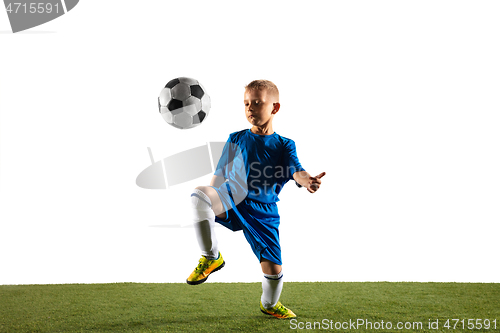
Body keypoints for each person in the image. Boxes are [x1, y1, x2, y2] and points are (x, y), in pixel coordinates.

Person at [187, 79, 325, 319]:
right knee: (200, 195)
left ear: (275, 108)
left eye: (257, 103)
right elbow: (219, 175)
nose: (250, 108)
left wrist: (307, 181)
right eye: (246, 103)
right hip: (232, 198)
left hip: (263, 211)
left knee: (274, 271)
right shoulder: (236, 138)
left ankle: (269, 305)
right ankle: (211, 257)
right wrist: (212, 201)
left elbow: (297, 171)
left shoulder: (284, 145)